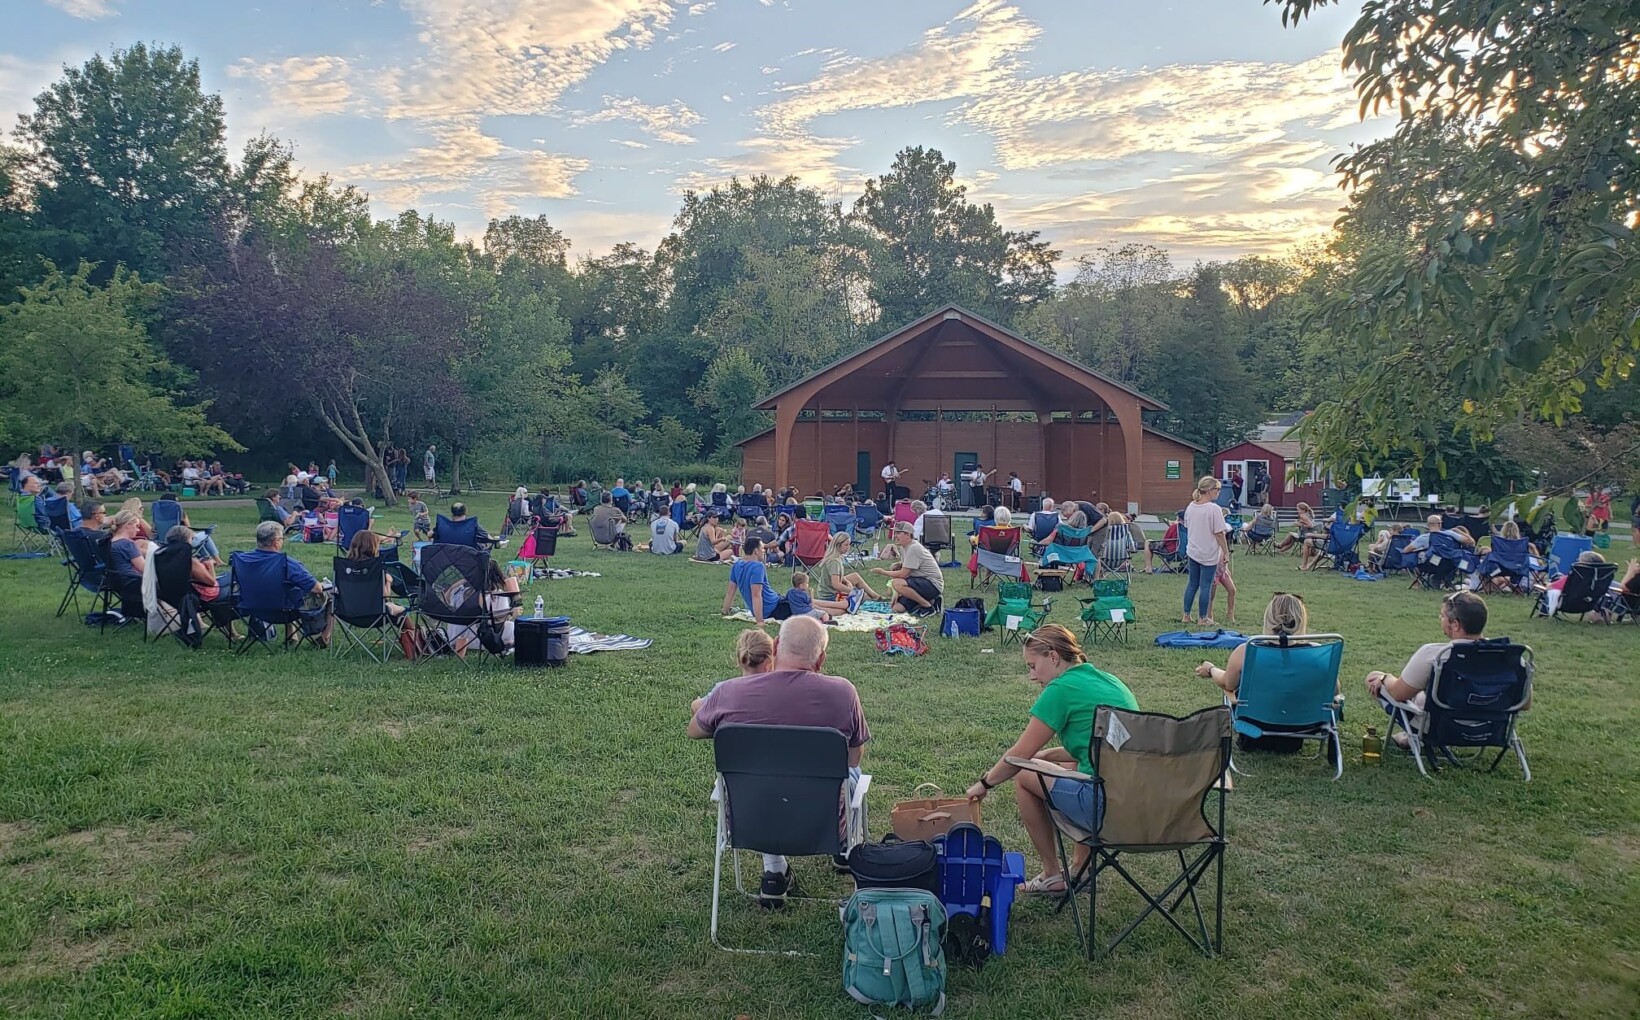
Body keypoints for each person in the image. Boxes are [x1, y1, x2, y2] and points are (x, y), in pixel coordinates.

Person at [687, 616, 870, 906]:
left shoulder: (728, 692)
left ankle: (774, 872)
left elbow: (694, 730)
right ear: (820, 659)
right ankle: (844, 852)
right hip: (825, 826)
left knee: (763, 778)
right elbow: (853, 756)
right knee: (853, 772)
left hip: (751, 820)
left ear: (776, 645)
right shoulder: (843, 693)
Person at [963, 625, 1138, 896]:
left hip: (1103, 807)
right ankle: (1083, 868)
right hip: (1139, 803)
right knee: (1072, 766)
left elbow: (1018, 756)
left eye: (1033, 666)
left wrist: (984, 783)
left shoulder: (1061, 689)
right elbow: (1103, 748)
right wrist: (1045, 755)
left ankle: (1052, 874)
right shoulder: (1110, 681)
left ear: (1053, 657)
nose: (1032, 676)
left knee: (1023, 775)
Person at [1365, 591, 1503, 745]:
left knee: (1374, 677)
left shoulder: (1436, 654)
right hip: (1488, 727)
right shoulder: (1507, 656)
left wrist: (1385, 677)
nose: (1440, 619)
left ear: (1455, 624)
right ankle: (1406, 738)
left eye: (1442, 615)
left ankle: (1413, 737)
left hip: (1441, 727)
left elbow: (1398, 694)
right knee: (1425, 696)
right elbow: (1524, 703)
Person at [236, 520, 334, 646]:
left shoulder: (242, 559)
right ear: (276, 541)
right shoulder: (286, 563)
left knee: (286, 588)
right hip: (284, 611)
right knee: (333, 593)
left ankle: (292, 636)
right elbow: (316, 589)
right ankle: (325, 637)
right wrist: (322, 584)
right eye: (282, 538)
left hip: (251, 608)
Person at [1195, 593, 1310, 695]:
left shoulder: (1246, 652)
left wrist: (1211, 669)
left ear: (1269, 618)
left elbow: (1228, 684)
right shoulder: (1318, 655)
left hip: (1254, 719)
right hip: (1309, 719)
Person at [1181, 476, 1231, 626]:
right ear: (1209, 490)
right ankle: (1203, 618)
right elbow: (1219, 533)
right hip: (1208, 553)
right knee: (1206, 585)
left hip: (1193, 551)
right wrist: (1226, 551)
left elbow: (1188, 526)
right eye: (1217, 489)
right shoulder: (1214, 509)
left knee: (1192, 584)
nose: (1219, 492)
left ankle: (1186, 615)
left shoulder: (1191, 506)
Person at [871, 521, 944, 615]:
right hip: (919, 582)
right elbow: (908, 566)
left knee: (896, 583)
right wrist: (899, 564)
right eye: (895, 533)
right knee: (897, 608)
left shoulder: (914, 548)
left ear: (907, 535)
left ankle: (927, 607)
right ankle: (933, 601)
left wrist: (883, 572)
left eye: (898, 533)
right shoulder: (904, 547)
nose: (895, 536)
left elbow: (903, 574)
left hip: (932, 584)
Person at [722, 536, 793, 624]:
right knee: (802, 602)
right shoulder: (757, 567)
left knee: (799, 598)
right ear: (756, 551)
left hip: (775, 603)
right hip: (774, 608)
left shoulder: (736, 565)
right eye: (762, 548)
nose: (764, 551)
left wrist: (724, 612)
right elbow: (756, 595)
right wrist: (760, 621)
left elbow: (730, 592)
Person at [346, 530, 408, 622]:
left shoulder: (345, 567)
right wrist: (389, 581)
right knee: (402, 610)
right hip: (375, 614)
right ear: (372, 547)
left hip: (348, 612)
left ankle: (415, 634)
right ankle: (417, 634)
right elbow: (385, 596)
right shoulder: (375, 568)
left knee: (394, 611)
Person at [814, 532, 882, 613]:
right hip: (830, 595)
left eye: (849, 544)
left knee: (855, 577)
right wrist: (852, 591)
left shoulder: (837, 557)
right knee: (863, 597)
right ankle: (873, 598)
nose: (848, 547)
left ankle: (875, 596)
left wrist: (846, 581)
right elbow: (835, 584)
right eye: (846, 545)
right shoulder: (834, 561)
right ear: (838, 545)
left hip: (830, 590)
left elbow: (837, 576)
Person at [105, 508, 152, 620]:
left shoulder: (109, 542)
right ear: (127, 525)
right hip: (135, 582)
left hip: (118, 583)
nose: (137, 530)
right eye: (136, 526)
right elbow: (144, 568)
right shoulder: (127, 544)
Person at [432, 501, 499, 547]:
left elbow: (429, 534)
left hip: (444, 562)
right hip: (468, 562)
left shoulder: (443, 526)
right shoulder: (472, 526)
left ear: (452, 514)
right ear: (465, 513)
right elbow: (489, 539)